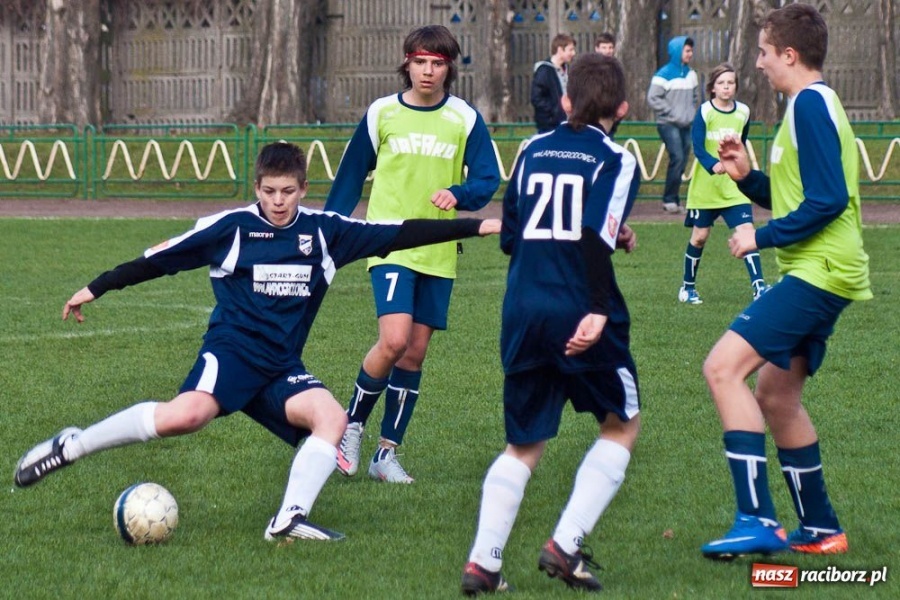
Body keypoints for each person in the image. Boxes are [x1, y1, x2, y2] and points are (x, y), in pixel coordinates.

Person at [13, 142, 501, 542]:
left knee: (332, 419)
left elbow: (401, 232)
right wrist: (97, 286)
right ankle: (73, 444)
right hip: (231, 354)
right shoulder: (232, 228)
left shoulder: (326, 233)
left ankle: (288, 520)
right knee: (184, 417)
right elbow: (158, 259)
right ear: (257, 188)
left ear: (304, 190)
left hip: (281, 365)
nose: (278, 201)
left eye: (288, 191)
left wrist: (482, 225)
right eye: (269, 191)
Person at [461, 53, 641, 595]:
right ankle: (564, 544)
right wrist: (597, 308)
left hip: (522, 310)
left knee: (523, 443)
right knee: (623, 422)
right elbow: (589, 232)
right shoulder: (616, 157)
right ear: (624, 108)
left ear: (565, 102)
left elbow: (513, 236)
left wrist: (617, 232)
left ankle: (483, 563)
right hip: (577, 307)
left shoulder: (533, 149)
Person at [700, 4, 871, 560]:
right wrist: (748, 179)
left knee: (722, 368)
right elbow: (800, 196)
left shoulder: (813, 105)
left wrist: (760, 238)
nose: (759, 62)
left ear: (789, 55)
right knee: (775, 394)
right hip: (823, 271)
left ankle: (756, 519)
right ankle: (822, 530)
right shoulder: (807, 106)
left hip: (820, 273)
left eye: (764, 53)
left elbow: (828, 201)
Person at [324, 25, 501, 484]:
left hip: (439, 249)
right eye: (420, 61)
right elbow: (348, 179)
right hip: (388, 243)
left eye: (437, 63)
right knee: (395, 339)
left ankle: (386, 455)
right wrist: (325, 233)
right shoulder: (381, 113)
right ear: (406, 62)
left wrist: (458, 191)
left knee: (415, 354)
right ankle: (351, 426)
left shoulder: (464, 118)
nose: (427, 71)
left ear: (449, 68)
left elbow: (487, 178)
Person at [679, 63, 767, 305]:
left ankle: (759, 287)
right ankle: (687, 287)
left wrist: (734, 167)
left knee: (747, 232)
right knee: (700, 237)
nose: (726, 87)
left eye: (730, 83)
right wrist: (712, 164)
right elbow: (697, 146)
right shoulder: (705, 111)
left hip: (732, 186)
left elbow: (742, 142)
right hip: (706, 187)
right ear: (713, 88)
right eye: (721, 83)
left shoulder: (744, 112)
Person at [647, 35, 698, 214]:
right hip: (668, 123)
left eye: (691, 50)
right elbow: (653, 98)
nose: (690, 54)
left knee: (683, 159)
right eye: (687, 50)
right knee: (677, 157)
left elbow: (694, 98)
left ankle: (674, 199)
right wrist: (671, 112)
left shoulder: (692, 75)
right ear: (677, 51)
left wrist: (691, 114)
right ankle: (669, 199)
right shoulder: (663, 74)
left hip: (685, 123)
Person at [531, 33, 577, 133]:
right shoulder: (544, 71)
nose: (574, 53)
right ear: (560, 50)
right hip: (550, 126)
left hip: (567, 123)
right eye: (571, 50)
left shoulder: (567, 69)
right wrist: (556, 110)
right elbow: (537, 98)